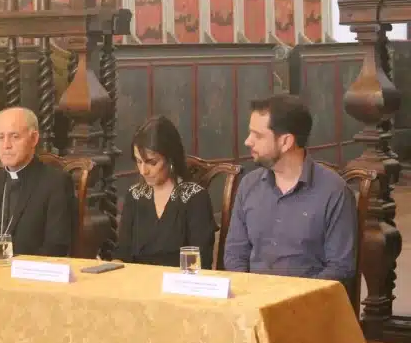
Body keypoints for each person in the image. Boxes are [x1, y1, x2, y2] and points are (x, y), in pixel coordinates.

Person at [224, 94, 357, 283]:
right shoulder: (249, 185)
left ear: (286, 142)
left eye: (258, 135)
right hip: (253, 302)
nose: (248, 141)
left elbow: (340, 267)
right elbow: (234, 254)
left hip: (306, 305)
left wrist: (291, 298)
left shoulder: (334, 192)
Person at [0, 107, 76, 257]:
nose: (6, 145)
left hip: (30, 276)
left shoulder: (55, 184)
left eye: (15, 136)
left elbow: (56, 247)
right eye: (0, 137)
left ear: (34, 139)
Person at [112, 116, 216, 268]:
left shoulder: (194, 198)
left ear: (171, 159)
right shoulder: (134, 196)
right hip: (137, 285)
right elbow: (122, 253)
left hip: (179, 286)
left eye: (151, 162)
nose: (143, 171)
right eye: (139, 161)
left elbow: (201, 263)